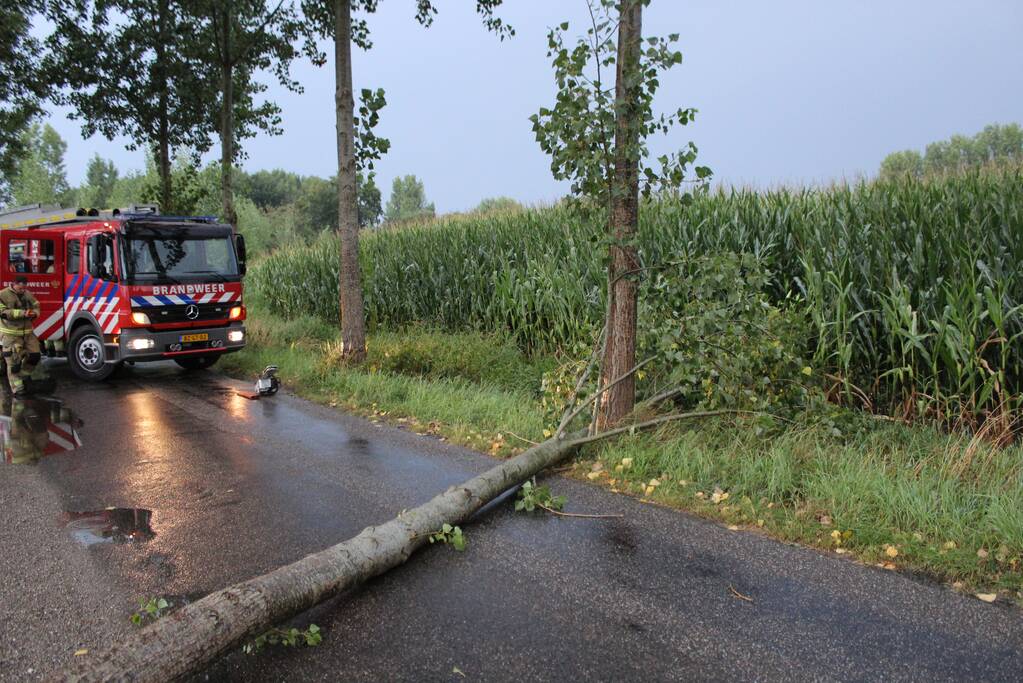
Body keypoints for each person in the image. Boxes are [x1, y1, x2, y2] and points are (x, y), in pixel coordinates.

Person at [0, 275, 41, 397]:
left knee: (34, 356)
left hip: (28, 333)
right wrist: (23, 313)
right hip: (11, 334)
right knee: (13, 362)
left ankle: (22, 376)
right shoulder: (2, 295)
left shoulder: (27, 294)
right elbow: (2, 313)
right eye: (21, 288)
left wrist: (35, 313)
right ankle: (17, 388)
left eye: (24, 288)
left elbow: (36, 305)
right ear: (14, 284)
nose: (23, 290)